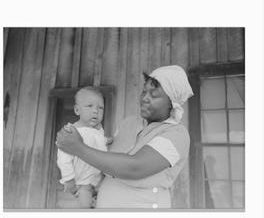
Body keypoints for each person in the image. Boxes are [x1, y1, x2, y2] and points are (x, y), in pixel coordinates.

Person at [56, 65, 194, 209]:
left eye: (154, 95)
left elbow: (135, 167)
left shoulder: (176, 134)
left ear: (172, 103)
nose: (145, 98)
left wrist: (78, 148)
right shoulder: (129, 123)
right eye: (144, 92)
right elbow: (108, 163)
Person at [57, 86, 108, 208]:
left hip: (99, 179)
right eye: (89, 106)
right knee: (85, 207)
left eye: (100, 108)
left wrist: (107, 140)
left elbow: (99, 143)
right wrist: (68, 180)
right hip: (82, 183)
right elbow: (63, 158)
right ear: (77, 110)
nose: (96, 111)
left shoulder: (99, 130)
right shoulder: (71, 131)